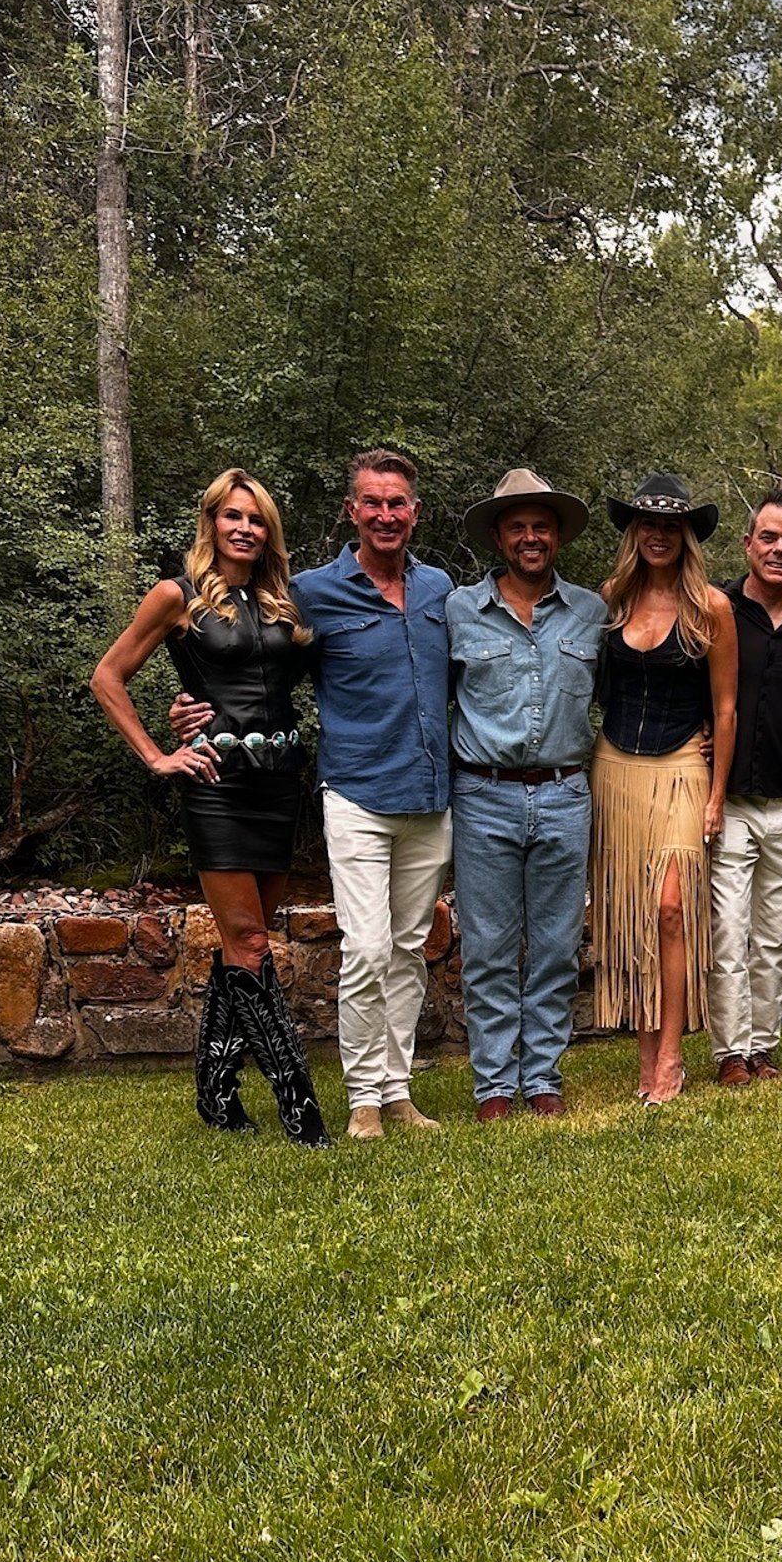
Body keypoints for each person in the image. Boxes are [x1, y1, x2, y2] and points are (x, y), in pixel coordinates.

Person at [92, 469, 330, 1147]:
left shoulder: (284, 600)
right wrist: (158, 753)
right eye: (232, 516)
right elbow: (107, 677)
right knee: (252, 942)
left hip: (280, 783)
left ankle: (216, 1092)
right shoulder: (176, 596)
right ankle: (299, 1108)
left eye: (256, 519)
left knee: (242, 946)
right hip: (218, 784)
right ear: (212, 522)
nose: (245, 528)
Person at [291, 449, 454, 1139]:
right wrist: (196, 706)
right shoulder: (312, 592)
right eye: (372, 503)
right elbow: (259, 671)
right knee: (365, 948)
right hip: (357, 790)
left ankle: (398, 1091)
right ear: (351, 511)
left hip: (430, 796)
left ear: (414, 513)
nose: (385, 515)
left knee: (408, 950)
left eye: (397, 504)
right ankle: (363, 1097)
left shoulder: (442, 590)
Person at [448, 468, 605, 1122]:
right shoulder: (457, 610)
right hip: (483, 795)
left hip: (566, 794)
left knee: (556, 946)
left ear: (558, 536)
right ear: (499, 537)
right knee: (486, 948)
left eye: (542, 526)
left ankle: (541, 1074)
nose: (532, 537)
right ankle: (492, 1086)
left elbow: (637, 692)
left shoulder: (592, 612)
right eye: (519, 527)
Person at [589, 474, 738, 1105]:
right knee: (630, 916)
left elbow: (726, 709)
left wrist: (716, 795)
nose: (657, 534)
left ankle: (672, 1056)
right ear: (634, 533)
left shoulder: (711, 607)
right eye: (648, 524)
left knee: (672, 909)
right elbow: (590, 694)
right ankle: (645, 1055)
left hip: (683, 767)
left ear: (685, 537)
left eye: (670, 526)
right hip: (615, 769)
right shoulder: (609, 602)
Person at [708, 491, 782, 1087]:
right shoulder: (716, 608)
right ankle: (730, 1052)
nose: (780, 550)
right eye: (770, 538)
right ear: (748, 543)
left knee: (774, 934)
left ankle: (761, 1047)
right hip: (728, 800)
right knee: (728, 929)